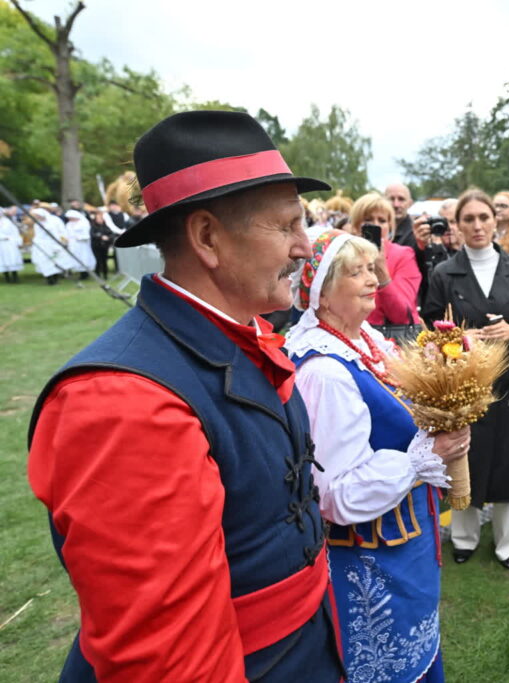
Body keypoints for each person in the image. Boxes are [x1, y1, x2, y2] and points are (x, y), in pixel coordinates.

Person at [26, 110, 344, 681]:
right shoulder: (122, 403)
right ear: (206, 238)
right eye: (288, 226)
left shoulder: (234, 336)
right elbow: (169, 663)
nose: (305, 247)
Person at [285, 230, 468, 682]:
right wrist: (424, 457)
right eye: (357, 272)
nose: (374, 279)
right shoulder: (325, 371)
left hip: (403, 547)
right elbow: (335, 495)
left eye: (372, 268)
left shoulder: (363, 340)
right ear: (322, 293)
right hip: (370, 559)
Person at [423, 189, 509, 570]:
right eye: (469, 219)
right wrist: (458, 340)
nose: (477, 225)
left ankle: (507, 541)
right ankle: (463, 536)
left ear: (496, 220)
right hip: (464, 384)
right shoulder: (444, 273)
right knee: (466, 456)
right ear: (458, 225)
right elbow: (430, 324)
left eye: (484, 217)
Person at [350, 192, 422, 341]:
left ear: (390, 226)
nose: (375, 225)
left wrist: (381, 271)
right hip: (353, 338)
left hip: (394, 342)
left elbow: (403, 315)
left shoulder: (403, 255)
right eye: (368, 220)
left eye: (382, 220)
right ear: (356, 226)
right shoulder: (343, 256)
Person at [29, 206, 66, 285]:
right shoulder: (37, 224)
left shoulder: (54, 221)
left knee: (55, 261)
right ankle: (49, 278)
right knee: (44, 262)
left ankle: (55, 278)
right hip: (42, 245)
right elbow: (37, 235)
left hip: (53, 245)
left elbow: (60, 232)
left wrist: (61, 242)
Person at [64, 209, 96, 280]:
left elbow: (87, 235)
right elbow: (66, 233)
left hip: (82, 244)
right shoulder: (68, 224)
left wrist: (78, 238)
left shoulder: (84, 222)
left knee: (84, 258)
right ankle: (78, 272)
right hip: (72, 244)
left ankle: (85, 273)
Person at [386, 183, 416, 248]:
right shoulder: (376, 230)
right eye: (391, 199)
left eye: (401, 199)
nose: (396, 205)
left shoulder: (415, 235)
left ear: (410, 204)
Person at [89, 206, 115, 279]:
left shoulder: (105, 226)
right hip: (96, 246)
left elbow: (111, 234)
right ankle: (97, 274)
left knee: (104, 260)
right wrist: (101, 236)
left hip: (104, 246)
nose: (100, 220)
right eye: (98, 219)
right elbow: (92, 235)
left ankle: (105, 275)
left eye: (101, 218)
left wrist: (108, 237)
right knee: (98, 260)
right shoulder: (93, 227)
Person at [0, 206, 23, 283]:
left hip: (9, 243)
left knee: (12, 259)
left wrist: (18, 242)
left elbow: (15, 233)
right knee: (2, 261)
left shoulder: (8, 222)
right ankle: (7, 278)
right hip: (1, 244)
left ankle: (15, 277)